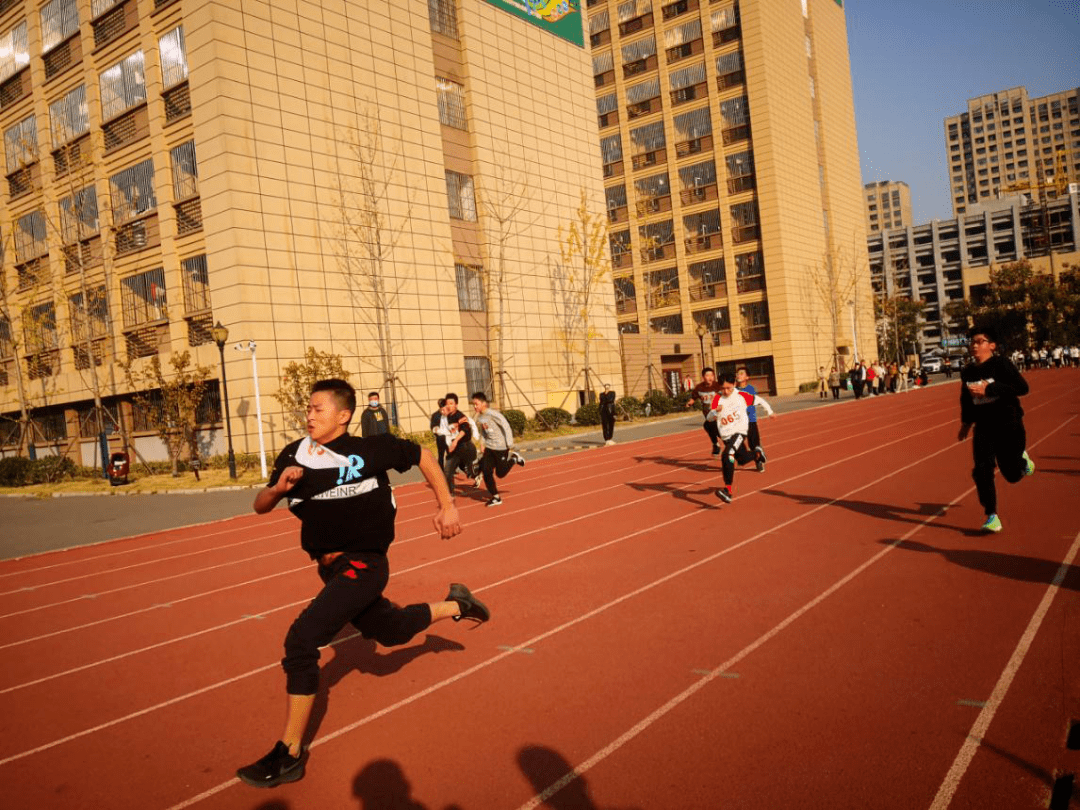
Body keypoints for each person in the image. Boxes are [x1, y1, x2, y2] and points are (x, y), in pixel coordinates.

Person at [236, 379, 490, 789]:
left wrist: (447, 506)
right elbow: (260, 505)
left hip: (365, 564)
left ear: (343, 415)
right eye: (308, 408)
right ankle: (458, 605)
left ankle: (289, 754)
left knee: (301, 641)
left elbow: (423, 455)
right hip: (330, 569)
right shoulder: (294, 455)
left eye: (318, 409)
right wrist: (279, 488)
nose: (309, 415)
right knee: (391, 631)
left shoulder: (370, 450)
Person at [957, 327, 1034, 533]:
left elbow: (1022, 388)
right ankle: (991, 515)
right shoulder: (968, 372)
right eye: (972, 342)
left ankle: (1022, 461)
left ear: (992, 345)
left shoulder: (1001, 364)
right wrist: (966, 424)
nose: (974, 345)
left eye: (980, 341)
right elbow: (966, 399)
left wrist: (989, 389)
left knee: (1011, 474)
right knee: (981, 470)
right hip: (984, 426)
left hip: (1008, 422)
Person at [706, 372, 774, 503]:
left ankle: (727, 490)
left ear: (734, 384)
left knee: (727, 454)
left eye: (728, 388)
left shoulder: (741, 396)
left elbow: (760, 400)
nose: (726, 391)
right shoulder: (717, 399)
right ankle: (757, 454)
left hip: (739, 432)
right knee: (742, 460)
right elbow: (709, 418)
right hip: (726, 435)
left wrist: (770, 412)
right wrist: (715, 411)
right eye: (723, 388)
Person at [471, 391, 524, 507]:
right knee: (486, 471)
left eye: (476, 404)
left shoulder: (493, 414)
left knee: (500, 474)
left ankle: (514, 459)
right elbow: (483, 431)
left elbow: (506, 426)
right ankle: (495, 497)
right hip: (490, 448)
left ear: (483, 403)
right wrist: (482, 443)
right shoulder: (480, 417)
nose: (474, 406)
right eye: (473, 404)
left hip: (501, 447)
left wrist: (510, 443)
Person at [735, 366, 773, 472]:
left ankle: (758, 461)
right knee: (737, 443)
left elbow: (751, 401)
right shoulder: (733, 390)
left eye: (741, 373)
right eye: (737, 373)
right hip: (738, 422)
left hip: (750, 420)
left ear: (747, 377)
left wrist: (769, 412)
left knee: (753, 444)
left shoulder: (750, 389)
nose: (738, 375)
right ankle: (743, 458)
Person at [441, 398, 477, 498]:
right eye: (443, 408)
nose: (444, 409)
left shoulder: (460, 416)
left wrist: (456, 441)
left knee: (468, 468)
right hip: (454, 449)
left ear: (455, 405)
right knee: (448, 471)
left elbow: (466, 429)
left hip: (464, 446)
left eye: (450, 404)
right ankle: (450, 493)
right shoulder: (444, 420)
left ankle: (476, 473)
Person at [686, 368, 723, 454]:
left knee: (710, 426)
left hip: (718, 412)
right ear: (703, 377)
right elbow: (694, 397)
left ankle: (723, 443)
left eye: (712, 375)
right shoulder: (699, 388)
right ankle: (717, 444)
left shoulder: (718, 386)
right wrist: (690, 402)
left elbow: (725, 395)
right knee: (709, 426)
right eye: (707, 375)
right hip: (707, 413)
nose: (710, 377)